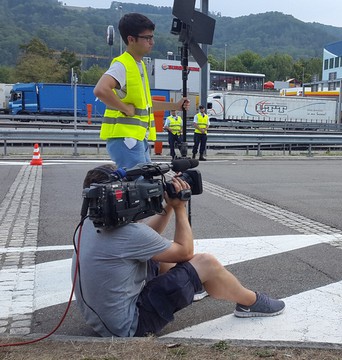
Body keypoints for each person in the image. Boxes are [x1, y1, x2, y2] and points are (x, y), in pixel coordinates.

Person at [72, 164, 285, 337]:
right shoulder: (126, 234)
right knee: (206, 263)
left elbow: (145, 238)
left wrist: (167, 206)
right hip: (129, 327)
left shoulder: (88, 224)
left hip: (103, 320)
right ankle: (251, 302)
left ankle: (192, 286)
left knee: (161, 254)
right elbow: (185, 252)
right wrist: (180, 208)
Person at [94, 13, 189, 169]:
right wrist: (124, 108)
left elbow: (145, 105)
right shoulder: (123, 65)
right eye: (147, 38)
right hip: (126, 138)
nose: (152, 42)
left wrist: (175, 106)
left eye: (152, 37)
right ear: (131, 39)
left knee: (143, 185)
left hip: (136, 138)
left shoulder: (139, 65)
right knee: (139, 185)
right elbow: (101, 89)